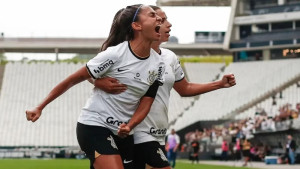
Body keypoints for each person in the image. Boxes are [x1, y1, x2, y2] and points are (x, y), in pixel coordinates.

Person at [92, 5, 236, 169]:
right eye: (161, 19)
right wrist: (97, 81)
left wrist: (219, 84)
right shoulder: (125, 54)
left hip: (158, 134)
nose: (168, 24)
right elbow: (89, 72)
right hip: (138, 133)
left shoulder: (169, 57)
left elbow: (185, 88)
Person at [25, 4, 164, 169]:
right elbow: (72, 79)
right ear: (137, 25)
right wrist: (40, 106)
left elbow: (146, 102)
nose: (159, 18)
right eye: (152, 14)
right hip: (94, 125)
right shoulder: (115, 54)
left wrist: (130, 125)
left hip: (124, 132)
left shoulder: (159, 64)